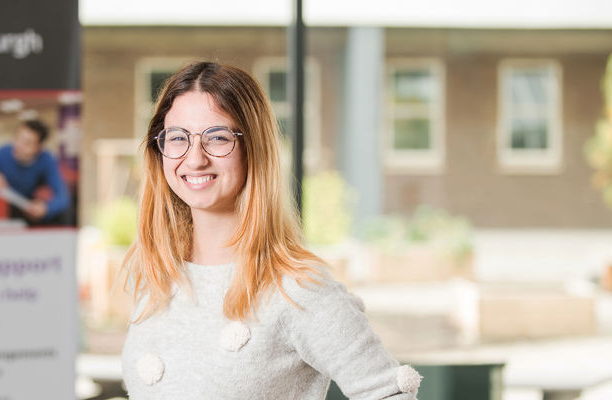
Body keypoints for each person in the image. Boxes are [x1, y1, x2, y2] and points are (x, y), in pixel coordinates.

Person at [121, 61, 422, 399]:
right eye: (178, 138)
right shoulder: (155, 274)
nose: (194, 159)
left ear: (254, 149)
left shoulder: (296, 287)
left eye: (217, 138)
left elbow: (387, 392)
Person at [0, 119, 69, 225]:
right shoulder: (2, 152)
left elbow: (62, 196)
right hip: (5, 204)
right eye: (18, 138)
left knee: (64, 212)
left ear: (38, 148)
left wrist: (46, 208)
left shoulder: (46, 159)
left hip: (29, 206)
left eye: (27, 143)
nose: (19, 145)